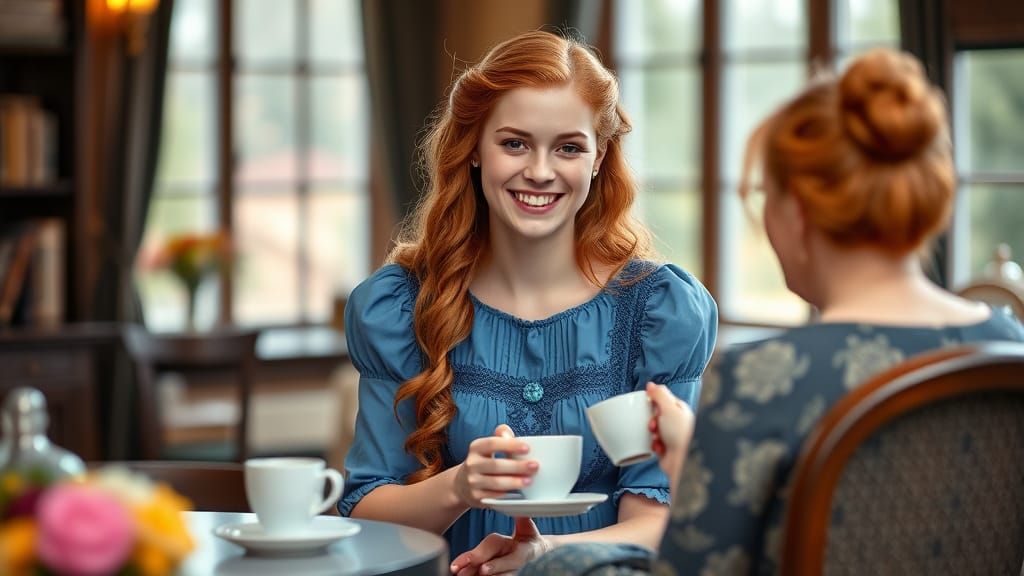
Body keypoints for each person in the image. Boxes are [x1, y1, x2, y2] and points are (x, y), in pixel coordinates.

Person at [519, 47, 1024, 576]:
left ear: (798, 213)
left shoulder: (764, 380)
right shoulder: (1007, 342)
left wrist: (554, 559)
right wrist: (698, 456)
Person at [339, 29, 718, 570]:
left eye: (568, 147)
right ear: (472, 148)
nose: (540, 171)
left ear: (598, 157)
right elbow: (366, 514)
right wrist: (460, 487)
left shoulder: (658, 310)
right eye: (514, 143)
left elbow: (661, 519)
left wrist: (545, 556)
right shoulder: (400, 307)